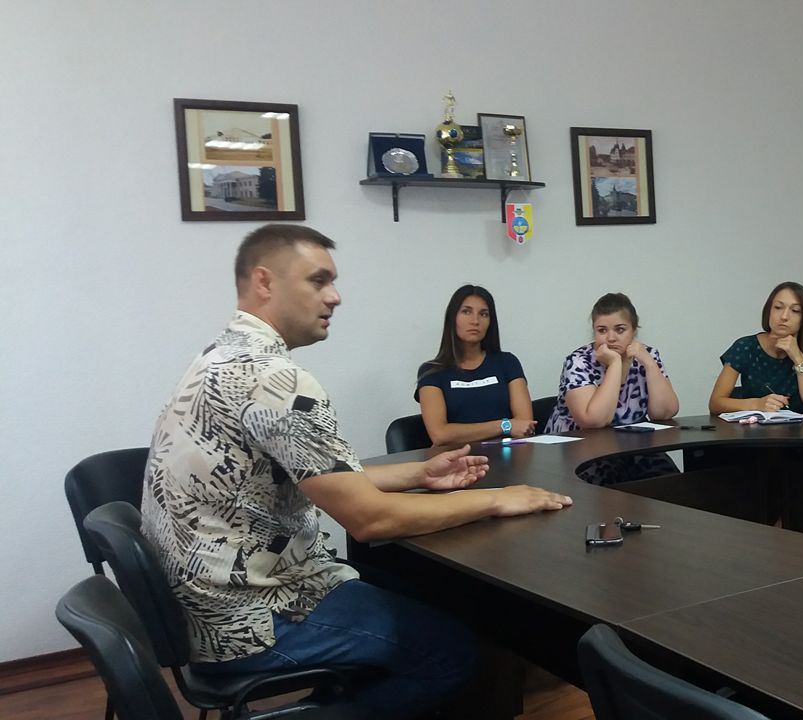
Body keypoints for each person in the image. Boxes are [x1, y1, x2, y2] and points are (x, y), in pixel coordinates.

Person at [141, 225, 571, 719]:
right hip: (251, 619)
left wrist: (419, 475)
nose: (335, 296)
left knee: (431, 598)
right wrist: (497, 498)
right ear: (264, 282)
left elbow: (317, 475)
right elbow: (371, 520)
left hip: (206, 606)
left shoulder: (218, 358)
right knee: (452, 652)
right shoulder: (275, 381)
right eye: (318, 280)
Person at [544, 292, 680, 484]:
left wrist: (649, 363)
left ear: (634, 330)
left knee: (671, 482)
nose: (611, 338)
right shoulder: (578, 361)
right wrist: (615, 364)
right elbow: (594, 421)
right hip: (579, 450)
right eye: (602, 330)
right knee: (606, 489)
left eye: (620, 329)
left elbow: (664, 412)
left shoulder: (646, 355)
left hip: (631, 447)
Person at [415, 285, 536, 446]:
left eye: (483, 314)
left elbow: (524, 423)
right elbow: (440, 435)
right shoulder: (431, 372)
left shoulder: (507, 362)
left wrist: (464, 432)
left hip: (507, 455)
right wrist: (505, 425)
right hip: (457, 457)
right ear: (452, 318)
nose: (475, 321)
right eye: (466, 312)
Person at [709, 282, 803, 415]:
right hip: (754, 426)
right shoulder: (745, 346)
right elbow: (715, 404)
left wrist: (798, 357)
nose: (784, 316)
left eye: (795, 310)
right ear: (768, 311)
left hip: (801, 426)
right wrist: (757, 404)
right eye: (778, 307)